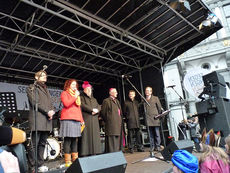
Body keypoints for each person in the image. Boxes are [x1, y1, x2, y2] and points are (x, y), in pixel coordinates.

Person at [26, 70, 55, 172]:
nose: (45, 77)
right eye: (42, 75)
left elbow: (50, 103)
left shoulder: (46, 89)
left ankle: (40, 164)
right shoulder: (31, 88)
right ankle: (32, 167)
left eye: (45, 75)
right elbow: (35, 102)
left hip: (46, 121)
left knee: (42, 143)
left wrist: (52, 111)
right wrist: (47, 111)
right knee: (34, 144)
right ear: (36, 77)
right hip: (37, 120)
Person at [59, 79, 84, 167]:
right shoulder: (64, 93)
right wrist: (75, 96)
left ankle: (75, 159)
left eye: (75, 85)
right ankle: (67, 161)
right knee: (68, 139)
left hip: (76, 119)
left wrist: (81, 120)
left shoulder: (76, 95)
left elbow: (78, 108)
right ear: (68, 85)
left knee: (74, 140)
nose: (74, 86)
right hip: (68, 118)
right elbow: (66, 104)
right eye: (72, 84)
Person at [80, 81, 101, 156]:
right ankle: (85, 153)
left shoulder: (94, 99)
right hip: (87, 119)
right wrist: (92, 110)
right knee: (86, 136)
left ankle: (94, 151)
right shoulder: (81, 97)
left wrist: (97, 110)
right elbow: (82, 105)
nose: (89, 90)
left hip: (94, 120)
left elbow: (99, 106)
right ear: (84, 90)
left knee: (94, 136)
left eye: (90, 89)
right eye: (87, 89)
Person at [101, 88, 122, 153]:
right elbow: (103, 113)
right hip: (111, 125)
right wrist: (109, 120)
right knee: (111, 140)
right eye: (115, 92)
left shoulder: (117, 101)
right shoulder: (106, 101)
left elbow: (120, 112)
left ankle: (117, 153)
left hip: (117, 124)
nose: (117, 93)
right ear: (110, 93)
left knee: (117, 140)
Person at [144, 86, 163, 152]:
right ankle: (152, 146)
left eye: (148, 90)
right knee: (150, 134)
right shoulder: (144, 99)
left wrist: (159, 116)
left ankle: (157, 146)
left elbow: (159, 108)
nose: (147, 92)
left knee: (157, 133)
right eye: (146, 90)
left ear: (151, 92)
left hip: (155, 119)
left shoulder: (155, 98)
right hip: (148, 119)